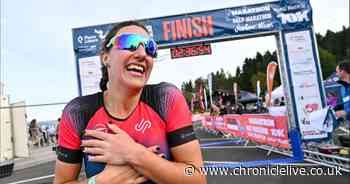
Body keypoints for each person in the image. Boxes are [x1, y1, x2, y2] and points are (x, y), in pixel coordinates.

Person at [54, 21, 205, 184]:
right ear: (106, 58)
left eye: (150, 48)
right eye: (129, 42)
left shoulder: (166, 98)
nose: (142, 53)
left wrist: (134, 153)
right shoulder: (77, 112)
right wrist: (99, 182)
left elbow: (196, 176)